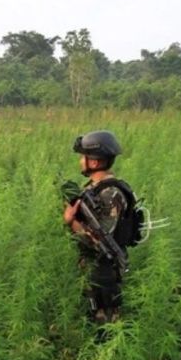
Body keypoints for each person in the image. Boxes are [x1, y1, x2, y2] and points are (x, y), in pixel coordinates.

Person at [62, 130, 135, 325]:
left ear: (94, 162)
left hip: (104, 272)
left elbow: (101, 240)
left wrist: (71, 221)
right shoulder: (95, 189)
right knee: (91, 319)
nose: (80, 162)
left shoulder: (111, 194)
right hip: (92, 268)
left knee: (106, 327)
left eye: (83, 158)